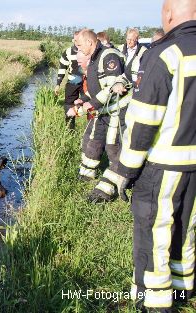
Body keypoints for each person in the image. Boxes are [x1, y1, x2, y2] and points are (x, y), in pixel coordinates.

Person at [108, 0, 196, 311]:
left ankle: (154, 302)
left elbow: (144, 120)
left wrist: (127, 170)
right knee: (185, 228)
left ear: (169, 13)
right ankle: (182, 290)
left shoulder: (167, 53)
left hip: (165, 164)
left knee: (153, 231)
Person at [71, 29, 128, 203]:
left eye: (79, 45)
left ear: (90, 42)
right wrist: (82, 100)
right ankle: (87, 175)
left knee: (113, 147)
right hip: (103, 110)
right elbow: (97, 88)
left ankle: (107, 189)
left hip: (117, 110)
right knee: (93, 141)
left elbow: (112, 86)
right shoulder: (95, 58)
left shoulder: (108, 56)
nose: (77, 48)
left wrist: (91, 104)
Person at [54, 31, 83, 130]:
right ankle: (70, 129)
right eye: (75, 40)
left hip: (86, 82)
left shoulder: (89, 50)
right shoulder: (68, 52)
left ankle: (91, 128)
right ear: (73, 40)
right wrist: (58, 84)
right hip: (72, 82)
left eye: (79, 40)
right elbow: (62, 68)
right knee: (68, 105)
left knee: (90, 105)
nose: (77, 42)